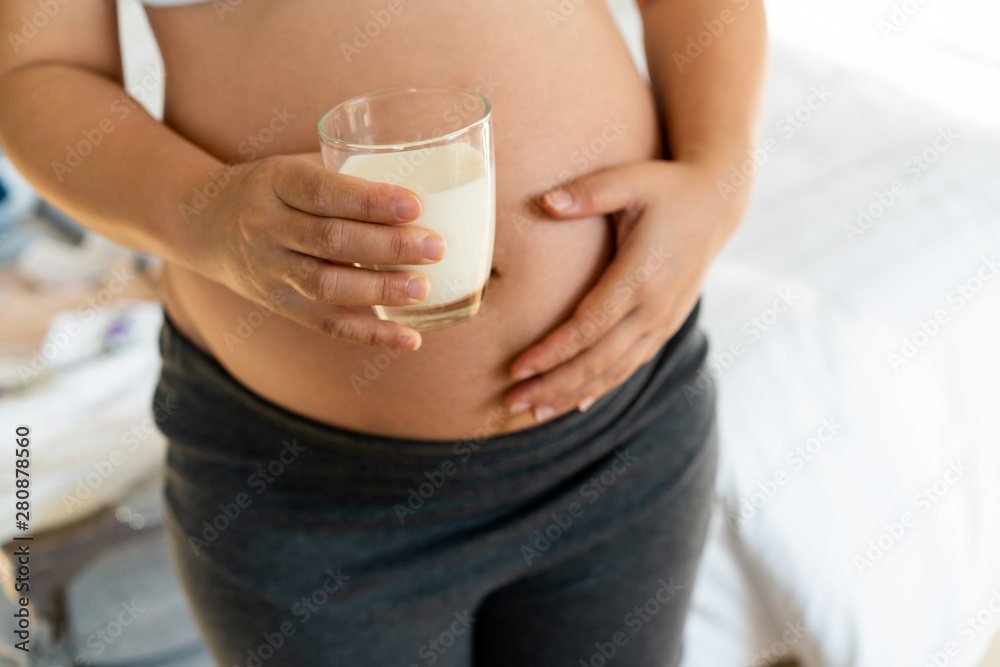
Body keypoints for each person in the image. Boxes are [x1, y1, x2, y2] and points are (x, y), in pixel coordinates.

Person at [0, 0, 767, 664]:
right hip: (306, 496)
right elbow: (37, 70)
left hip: (626, 435)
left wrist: (719, 173)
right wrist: (205, 209)